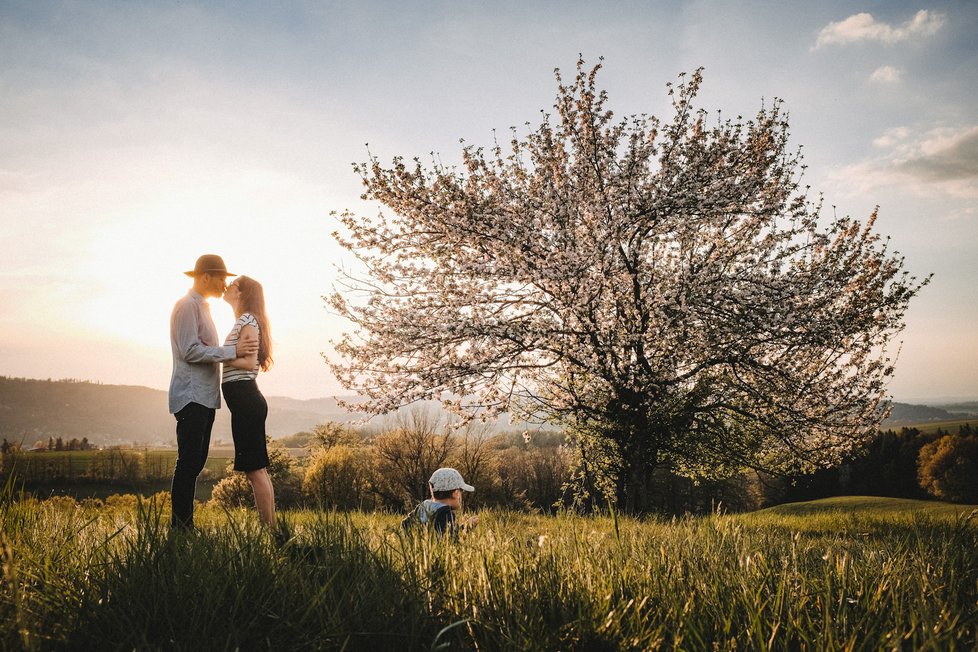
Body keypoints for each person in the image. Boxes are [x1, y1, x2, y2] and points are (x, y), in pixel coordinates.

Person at [169, 254, 258, 530]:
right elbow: (190, 350)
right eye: (221, 277)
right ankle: (181, 527)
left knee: (195, 463)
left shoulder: (203, 308)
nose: (224, 283)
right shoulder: (186, 307)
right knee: (189, 463)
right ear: (205, 276)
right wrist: (232, 351)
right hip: (191, 396)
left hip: (204, 397)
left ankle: (184, 525)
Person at [221, 275, 276, 527]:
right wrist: (225, 353)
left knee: (254, 470)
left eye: (232, 284)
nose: (227, 285)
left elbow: (248, 362)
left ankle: (269, 530)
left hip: (246, 399)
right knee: (258, 469)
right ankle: (271, 527)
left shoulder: (247, 320)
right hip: (245, 400)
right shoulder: (244, 320)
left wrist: (214, 355)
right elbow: (242, 357)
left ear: (241, 293)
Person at [401, 467, 479, 536]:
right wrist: (467, 527)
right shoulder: (445, 514)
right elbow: (450, 538)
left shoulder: (421, 508)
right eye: (461, 491)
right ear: (456, 493)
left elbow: (405, 525)